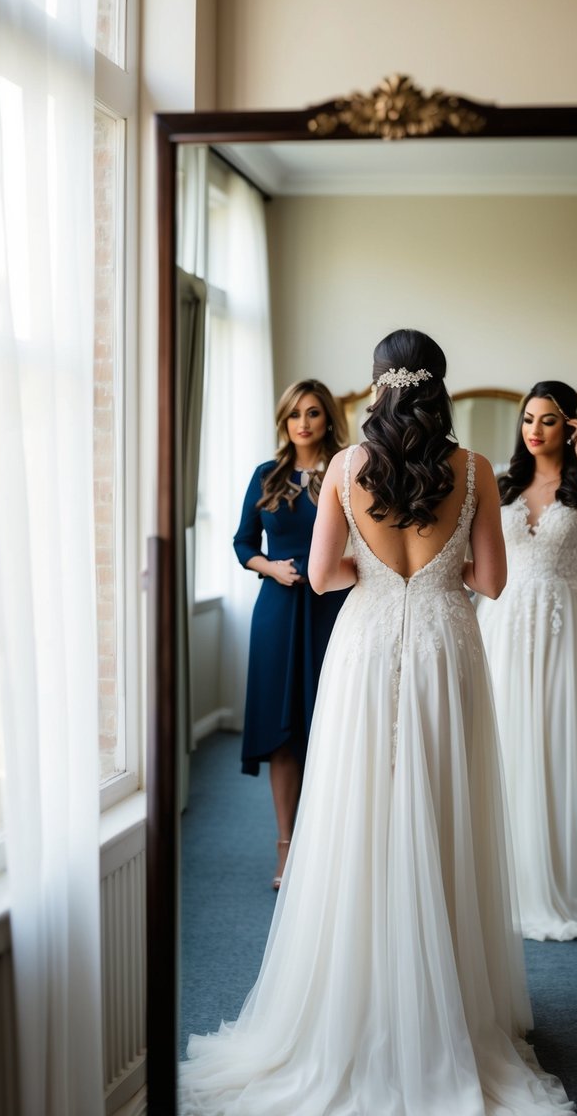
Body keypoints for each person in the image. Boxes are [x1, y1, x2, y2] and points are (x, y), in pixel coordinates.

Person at [180, 331, 574, 1115]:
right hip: (445, 645)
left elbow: (322, 575)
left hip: (363, 648)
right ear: (440, 389)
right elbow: (492, 581)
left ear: (376, 389)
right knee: (440, 803)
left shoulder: (346, 469)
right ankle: (445, 1004)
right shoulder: (470, 471)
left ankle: (351, 1000)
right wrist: (434, 571)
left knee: (359, 809)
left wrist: (379, 569)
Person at [477, 381, 577, 942]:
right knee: (505, 737)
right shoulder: (505, 485)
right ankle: (499, 878)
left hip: (563, 625)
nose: (534, 430)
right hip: (504, 622)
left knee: (559, 738)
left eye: (549, 421)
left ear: (571, 425)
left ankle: (559, 875)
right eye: (528, 419)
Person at [233, 379, 349, 889]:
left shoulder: (348, 470)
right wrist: (271, 570)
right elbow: (242, 544)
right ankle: (286, 848)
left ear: (328, 420)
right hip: (278, 610)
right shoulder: (266, 474)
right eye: (294, 414)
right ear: (283, 420)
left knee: (333, 728)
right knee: (283, 735)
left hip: (334, 608)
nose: (303, 423)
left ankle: (332, 846)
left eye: (313, 413)